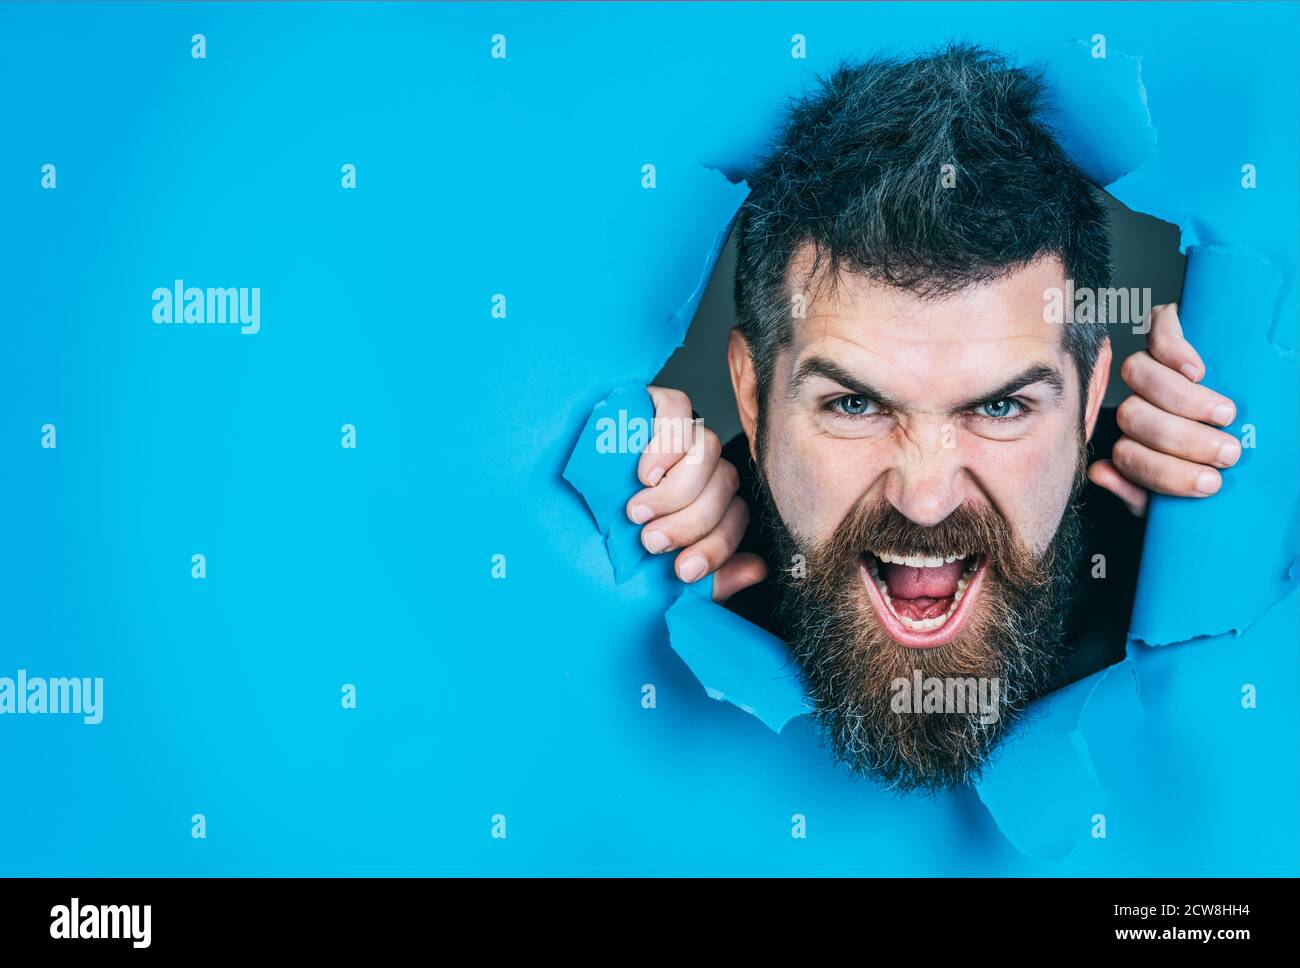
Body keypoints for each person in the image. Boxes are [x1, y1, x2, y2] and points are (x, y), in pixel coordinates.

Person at [621, 45, 1241, 790]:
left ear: (1089, 396)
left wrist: (1247, 500)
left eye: (1001, 406)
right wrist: (624, 505)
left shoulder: (1172, 542)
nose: (925, 496)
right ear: (752, 399)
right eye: (853, 405)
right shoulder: (696, 549)